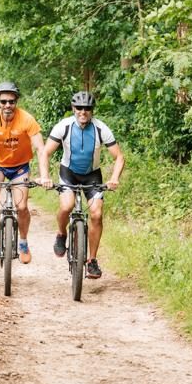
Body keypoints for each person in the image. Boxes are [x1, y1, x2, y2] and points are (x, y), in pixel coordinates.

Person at [39, 90, 125, 279]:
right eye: (79, 108)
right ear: (73, 108)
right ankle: (62, 234)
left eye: (87, 108)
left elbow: (119, 157)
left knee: (96, 214)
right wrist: (45, 176)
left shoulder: (101, 128)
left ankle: (92, 261)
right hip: (68, 174)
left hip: (92, 176)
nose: (83, 111)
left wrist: (115, 178)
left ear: (92, 110)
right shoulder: (64, 126)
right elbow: (45, 153)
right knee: (67, 206)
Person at [0, 81, 48, 262]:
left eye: (11, 102)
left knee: (21, 207)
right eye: (3, 101)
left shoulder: (27, 120)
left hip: (20, 166)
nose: (7, 105)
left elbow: (40, 149)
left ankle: (23, 242)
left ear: (16, 102)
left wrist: (44, 176)